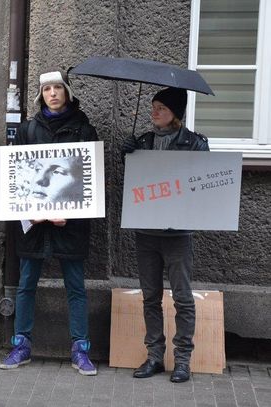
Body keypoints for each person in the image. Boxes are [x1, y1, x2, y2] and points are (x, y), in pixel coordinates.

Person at [0, 68, 98, 375]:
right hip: (35, 223)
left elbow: (91, 179)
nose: (52, 93)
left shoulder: (84, 129)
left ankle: (80, 349)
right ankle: (21, 345)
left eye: (57, 88)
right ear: (40, 95)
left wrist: (70, 212)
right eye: (46, 90)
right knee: (26, 284)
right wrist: (30, 211)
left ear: (67, 92)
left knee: (75, 287)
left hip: (70, 223)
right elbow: (17, 175)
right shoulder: (28, 130)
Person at [120, 87, 209, 383]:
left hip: (178, 234)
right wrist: (128, 156)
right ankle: (155, 356)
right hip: (146, 232)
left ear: (175, 114)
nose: (154, 112)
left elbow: (202, 183)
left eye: (161, 107)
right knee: (150, 297)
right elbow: (137, 184)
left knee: (183, 298)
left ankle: (182, 360)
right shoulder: (143, 142)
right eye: (153, 106)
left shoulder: (194, 144)